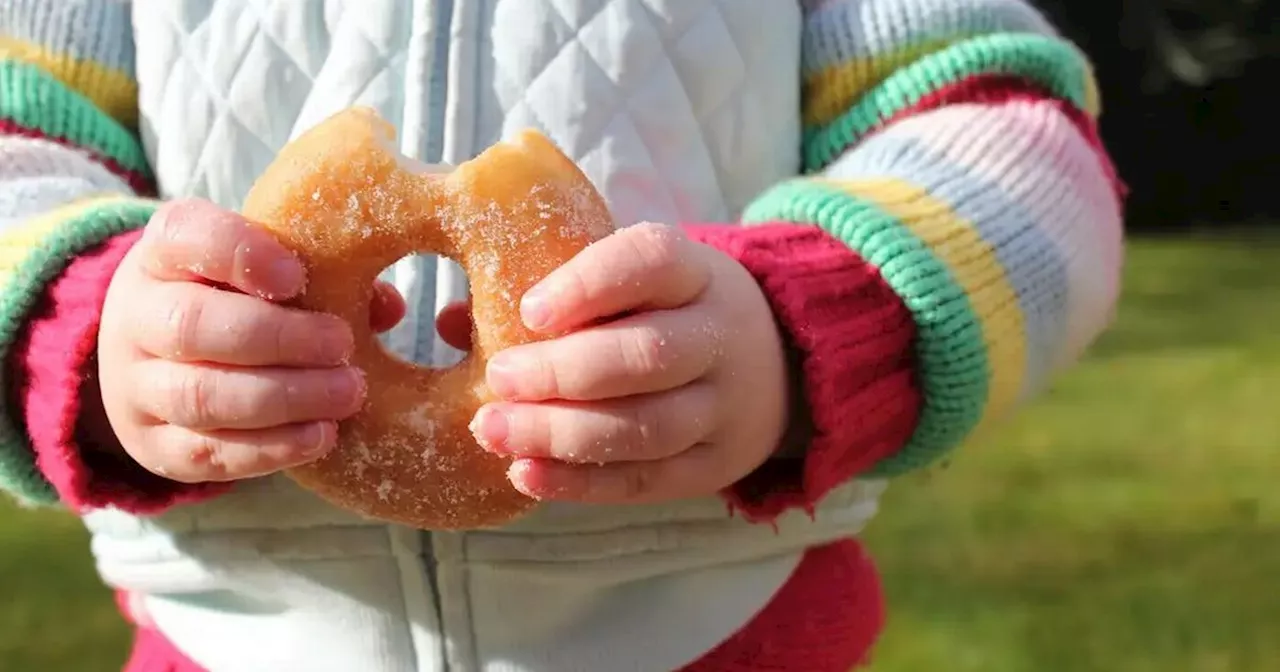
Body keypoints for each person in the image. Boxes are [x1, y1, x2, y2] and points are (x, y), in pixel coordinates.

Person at [0, 0, 1123, 670]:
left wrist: (808, 327)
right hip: (230, 637)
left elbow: (1008, 139)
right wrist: (80, 325)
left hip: (725, 633)